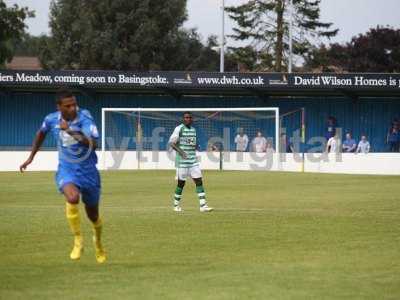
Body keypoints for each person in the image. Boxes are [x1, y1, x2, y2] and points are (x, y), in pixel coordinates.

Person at [19, 88, 106, 263]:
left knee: (93, 216)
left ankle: (98, 242)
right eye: (68, 105)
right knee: (72, 198)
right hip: (67, 170)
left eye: (74, 104)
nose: (73, 108)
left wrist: (70, 131)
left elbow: (93, 144)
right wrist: (30, 157)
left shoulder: (85, 117)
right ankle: (78, 239)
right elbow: (41, 133)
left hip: (88, 171)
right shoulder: (51, 119)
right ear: (59, 107)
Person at [169, 112, 213, 213]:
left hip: (193, 161)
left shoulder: (193, 130)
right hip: (182, 162)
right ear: (183, 119)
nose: (188, 119)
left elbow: (191, 142)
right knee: (181, 183)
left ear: (192, 119)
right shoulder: (179, 128)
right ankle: (176, 205)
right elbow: (172, 143)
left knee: (199, 181)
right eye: (186, 117)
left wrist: (197, 146)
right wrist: (181, 152)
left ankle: (203, 205)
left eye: (189, 117)